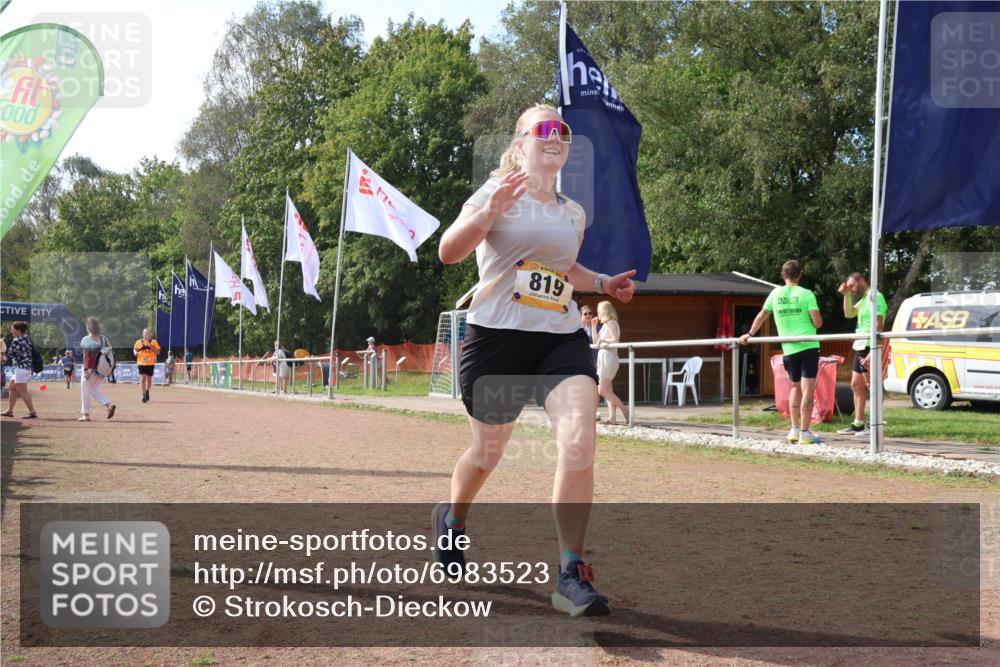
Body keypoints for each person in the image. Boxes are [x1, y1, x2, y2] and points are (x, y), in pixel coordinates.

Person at [436, 103, 636, 617]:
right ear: (521, 143)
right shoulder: (497, 192)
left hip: (558, 338)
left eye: (563, 130)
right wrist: (487, 212)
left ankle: (571, 571)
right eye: (544, 128)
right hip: (496, 340)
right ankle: (453, 518)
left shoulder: (573, 212)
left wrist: (603, 283)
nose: (556, 136)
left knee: (579, 435)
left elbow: (564, 269)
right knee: (486, 456)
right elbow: (448, 253)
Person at [739, 260, 824, 444]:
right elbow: (817, 323)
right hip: (808, 346)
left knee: (795, 387)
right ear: (800, 274)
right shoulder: (806, 294)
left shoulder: (775, 294)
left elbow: (762, 315)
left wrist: (749, 334)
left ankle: (794, 429)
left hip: (789, 349)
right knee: (807, 389)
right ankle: (804, 432)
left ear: (782, 275)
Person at [837, 272, 887, 436]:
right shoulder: (864, 299)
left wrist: (872, 352)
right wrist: (846, 295)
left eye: (852, 286)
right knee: (856, 385)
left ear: (862, 281)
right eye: (849, 287)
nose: (851, 289)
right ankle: (858, 424)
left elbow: (879, 326)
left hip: (868, 345)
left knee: (871, 385)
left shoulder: (875, 297)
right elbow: (848, 314)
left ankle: (875, 425)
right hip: (860, 346)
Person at [592, 301, 629, 425]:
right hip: (603, 358)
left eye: (599, 311)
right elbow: (596, 341)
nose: (597, 313)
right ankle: (612, 418)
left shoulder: (612, 323)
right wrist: (593, 326)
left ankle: (624, 409)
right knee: (608, 389)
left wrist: (603, 339)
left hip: (609, 358)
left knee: (602, 390)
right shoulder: (604, 325)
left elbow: (615, 340)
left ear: (604, 311)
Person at [79, 316, 116, 421]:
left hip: (90, 369)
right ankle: (108, 405)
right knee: (94, 390)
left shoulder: (86, 340)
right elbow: (109, 352)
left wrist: (86, 371)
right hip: (102, 369)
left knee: (85, 391)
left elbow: (85, 357)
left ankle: (86, 415)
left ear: (88, 327)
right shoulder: (104, 338)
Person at [1, 321, 39, 419]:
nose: (11, 330)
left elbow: (9, 355)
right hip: (25, 368)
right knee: (12, 387)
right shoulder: (27, 338)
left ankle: (32, 412)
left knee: (23, 392)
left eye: (12, 329)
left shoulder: (16, 340)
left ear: (18, 330)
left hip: (21, 368)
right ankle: (9, 411)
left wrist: (2, 355)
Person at [133, 328, 161, 403]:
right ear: (143, 334)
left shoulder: (154, 342)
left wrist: (151, 346)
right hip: (141, 363)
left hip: (150, 363)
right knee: (142, 379)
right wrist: (135, 353)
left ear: (150, 335)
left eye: (148, 333)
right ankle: (144, 395)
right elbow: (135, 349)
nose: (147, 335)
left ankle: (147, 391)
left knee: (149, 379)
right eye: (145, 333)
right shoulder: (138, 342)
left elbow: (158, 352)